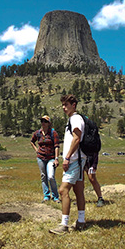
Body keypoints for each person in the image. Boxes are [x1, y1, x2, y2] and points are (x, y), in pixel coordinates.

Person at [50, 94, 86, 235]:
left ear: (74, 105)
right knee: (78, 190)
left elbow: (77, 139)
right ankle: (81, 221)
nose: (64, 108)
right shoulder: (73, 119)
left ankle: (64, 225)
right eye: (63, 105)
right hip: (78, 159)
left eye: (66, 105)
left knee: (63, 191)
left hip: (74, 160)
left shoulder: (75, 119)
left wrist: (67, 157)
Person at [30, 115, 61, 203]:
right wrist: (36, 150)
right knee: (43, 176)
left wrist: (56, 158)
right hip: (41, 157)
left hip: (51, 157)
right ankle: (46, 195)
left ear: (49, 123)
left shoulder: (53, 133)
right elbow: (32, 141)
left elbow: (56, 146)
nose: (43, 123)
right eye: (42, 121)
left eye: (45, 121)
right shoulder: (38, 133)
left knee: (51, 176)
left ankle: (55, 196)